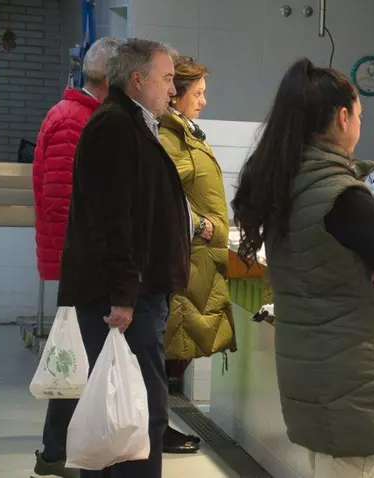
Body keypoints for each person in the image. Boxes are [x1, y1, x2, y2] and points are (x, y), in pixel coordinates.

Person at [231, 58, 374, 478]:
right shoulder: (343, 195)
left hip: (311, 365)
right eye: (360, 115)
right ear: (342, 118)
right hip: (352, 375)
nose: (360, 124)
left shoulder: (282, 179)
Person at [57, 38, 190, 478]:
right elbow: (111, 219)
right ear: (137, 79)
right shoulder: (114, 126)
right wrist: (123, 295)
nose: (173, 89)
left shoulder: (132, 122)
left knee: (127, 411)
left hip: (135, 292)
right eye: (167, 78)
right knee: (134, 412)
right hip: (123, 298)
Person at [31, 36, 120, 478]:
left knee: (77, 360)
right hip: (80, 264)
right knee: (74, 362)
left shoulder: (83, 116)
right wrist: (90, 258)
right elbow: (62, 203)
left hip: (80, 260)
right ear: (112, 78)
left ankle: (60, 451)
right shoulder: (74, 120)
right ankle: (55, 453)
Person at [158, 56, 236, 454]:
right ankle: (155, 431)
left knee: (173, 351)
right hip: (187, 260)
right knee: (167, 351)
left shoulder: (184, 132)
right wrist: (200, 225)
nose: (204, 101)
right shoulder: (169, 137)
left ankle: (157, 428)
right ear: (177, 95)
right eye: (199, 93)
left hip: (198, 260)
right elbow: (163, 194)